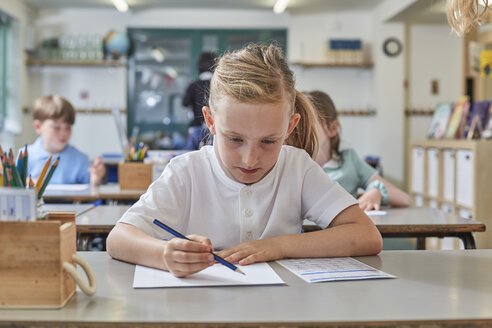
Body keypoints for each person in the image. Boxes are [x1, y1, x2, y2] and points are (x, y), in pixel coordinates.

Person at [106, 44, 382, 278]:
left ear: (289, 127)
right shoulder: (186, 172)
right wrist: (164, 254)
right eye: (235, 139)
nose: (250, 159)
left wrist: (279, 246)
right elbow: (118, 239)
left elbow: (366, 235)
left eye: (268, 141)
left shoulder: (297, 167)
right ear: (211, 122)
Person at [307, 90, 410, 211]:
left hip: (344, 227)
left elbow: (405, 198)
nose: (300, 131)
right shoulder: (292, 160)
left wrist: (376, 192)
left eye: (309, 124)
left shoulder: (348, 159)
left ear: (333, 128)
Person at [27, 94, 106, 186]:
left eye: (68, 127)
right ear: (38, 127)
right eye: (56, 127)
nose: (63, 133)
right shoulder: (26, 157)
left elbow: (93, 196)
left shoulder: (80, 159)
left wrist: (96, 179)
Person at [182, 51, 217, 150]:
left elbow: (185, 103)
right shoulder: (219, 86)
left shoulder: (193, 85)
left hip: (197, 128)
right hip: (215, 129)